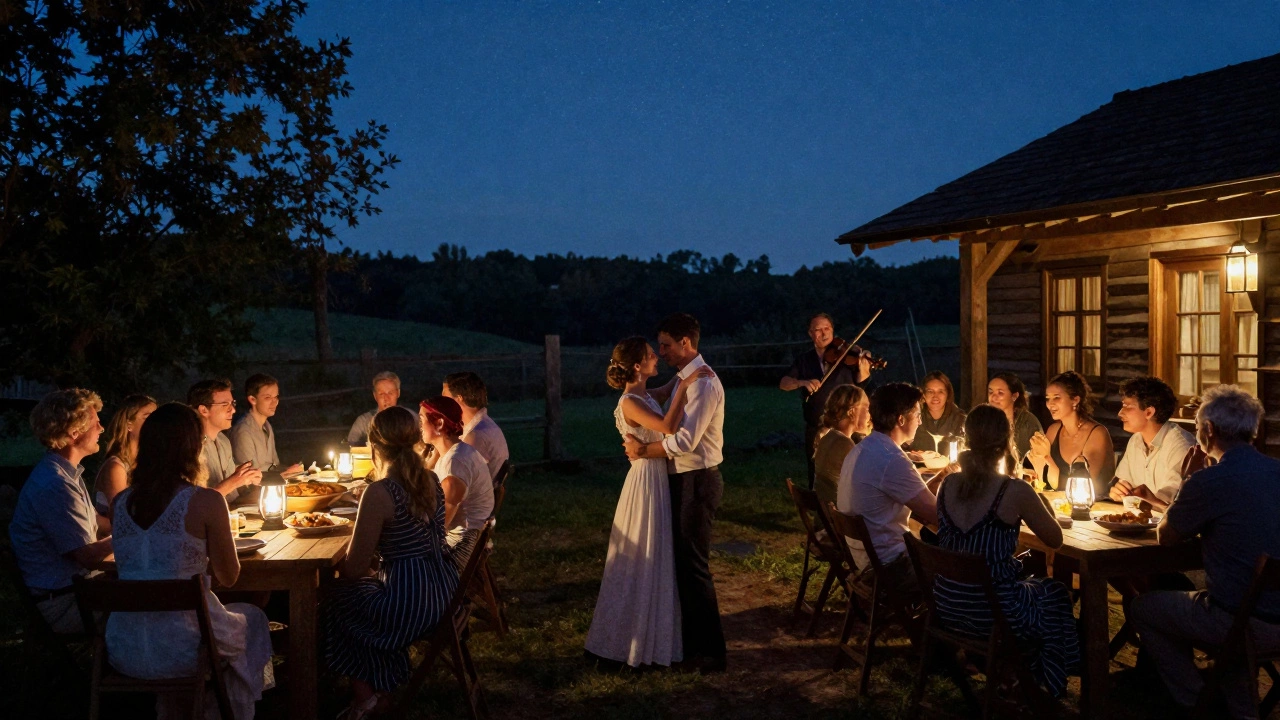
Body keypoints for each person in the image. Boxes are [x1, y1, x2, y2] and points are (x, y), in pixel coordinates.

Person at [105, 403, 273, 719]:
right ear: (193, 447)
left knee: (221, 620)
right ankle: (228, 711)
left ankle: (181, 709)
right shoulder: (205, 500)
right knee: (252, 617)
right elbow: (229, 576)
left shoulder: (120, 503)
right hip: (184, 651)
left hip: (123, 648)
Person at [1130, 384, 1280, 718]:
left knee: (1144, 607)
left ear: (1208, 430)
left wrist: (1187, 480)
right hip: (1271, 614)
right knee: (1236, 603)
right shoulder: (1276, 471)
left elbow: (1165, 537)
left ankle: (1197, 699)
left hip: (1241, 622)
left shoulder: (1209, 481)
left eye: (1197, 427)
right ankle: (1237, 705)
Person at [933, 405, 1079, 697]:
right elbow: (1055, 539)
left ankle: (1014, 675)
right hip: (994, 612)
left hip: (947, 605)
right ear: (1005, 442)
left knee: (1035, 586)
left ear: (968, 440)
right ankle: (1045, 684)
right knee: (1054, 594)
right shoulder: (1013, 490)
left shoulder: (948, 484)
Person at [323, 407, 458, 720]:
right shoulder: (431, 479)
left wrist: (371, 567)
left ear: (373, 447)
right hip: (442, 593)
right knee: (364, 596)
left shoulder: (381, 492)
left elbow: (353, 569)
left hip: (409, 604)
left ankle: (365, 697)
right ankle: (382, 688)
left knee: (336, 598)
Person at [585, 336, 712, 668]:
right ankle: (625, 641)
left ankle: (654, 635)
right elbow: (669, 426)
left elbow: (663, 393)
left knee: (656, 555)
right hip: (644, 482)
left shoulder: (643, 394)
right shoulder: (629, 402)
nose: (657, 356)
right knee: (643, 556)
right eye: (651, 355)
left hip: (655, 478)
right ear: (638, 366)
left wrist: (685, 373)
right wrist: (685, 387)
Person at [623, 312, 727, 672]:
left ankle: (711, 653)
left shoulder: (703, 384)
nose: (662, 351)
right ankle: (688, 643)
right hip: (680, 479)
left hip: (697, 480)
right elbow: (644, 398)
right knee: (682, 565)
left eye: (666, 345)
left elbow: (683, 440)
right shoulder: (685, 379)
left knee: (694, 566)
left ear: (686, 343)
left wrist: (642, 451)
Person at [9, 389, 114, 634]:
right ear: (74, 432)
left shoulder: (65, 474)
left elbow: (97, 524)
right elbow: (87, 557)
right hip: (64, 604)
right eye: (96, 423)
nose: (102, 428)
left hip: (76, 592)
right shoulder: (55, 485)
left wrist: (141, 518)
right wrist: (128, 535)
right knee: (152, 599)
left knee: (150, 585)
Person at [837, 382, 937, 596]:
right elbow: (937, 515)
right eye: (918, 415)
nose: (920, 421)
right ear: (901, 419)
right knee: (961, 568)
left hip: (862, 560)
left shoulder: (862, 449)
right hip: (891, 568)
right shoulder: (892, 459)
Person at [779, 313, 871, 487]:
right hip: (816, 426)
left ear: (833, 330)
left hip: (847, 428)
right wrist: (802, 382)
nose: (823, 333)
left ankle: (848, 509)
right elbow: (784, 383)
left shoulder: (848, 355)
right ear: (810, 334)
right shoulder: (804, 360)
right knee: (816, 472)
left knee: (851, 471)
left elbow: (861, 387)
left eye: (827, 328)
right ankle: (821, 510)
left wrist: (864, 370)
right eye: (817, 329)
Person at [420, 395, 493, 571]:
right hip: (465, 540)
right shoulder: (454, 452)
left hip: (459, 549)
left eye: (422, 420)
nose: (419, 426)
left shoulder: (456, 464)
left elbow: (438, 527)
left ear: (439, 424)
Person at [1109, 376, 1195, 511]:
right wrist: (1120, 491)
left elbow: (1176, 503)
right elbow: (1125, 482)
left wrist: (1149, 500)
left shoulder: (1181, 446)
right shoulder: (1136, 440)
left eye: (1127, 406)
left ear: (1149, 412)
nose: (1120, 413)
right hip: (1140, 522)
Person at [1027, 370, 1115, 498]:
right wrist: (1037, 460)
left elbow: (1084, 487)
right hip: (1058, 503)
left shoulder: (1097, 434)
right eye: (1047, 398)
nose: (1050, 404)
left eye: (1056, 397)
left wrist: (1047, 458)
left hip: (1095, 507)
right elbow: (1043, 481)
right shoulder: (1053, 430)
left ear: (1075, 400)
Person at [188, 379, 262, 503]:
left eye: (232, 403)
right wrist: (234, 481)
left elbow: (231, 494)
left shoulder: (223, 441)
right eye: (225, 405)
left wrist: (244, 477)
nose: (232, 410)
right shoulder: (191, 447)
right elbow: (196, 503)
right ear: (204, 410)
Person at [93, 393, 157, 522]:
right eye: (148, 417)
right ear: (129, 424)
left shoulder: (149, 463)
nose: (156, 423)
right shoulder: (116, 467)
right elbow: (121, 517)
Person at [228, 373, 302, 475]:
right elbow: (248, 478)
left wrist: (289, 470)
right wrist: (285, 473)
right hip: (253, 490)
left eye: (276, 397)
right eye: (268, 398)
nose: (274, 402)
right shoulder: (243, 431)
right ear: (252, 399)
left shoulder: (267, 427)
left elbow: (274, 465)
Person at [813, 384, 870, 508]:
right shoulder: (844, 444)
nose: (869, 415)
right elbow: (866, 483)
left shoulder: (829, 437)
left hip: (826, 516)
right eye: (867, 409)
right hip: (841, 520)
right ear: (852, 411)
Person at [442, 371, 510, 475]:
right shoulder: (483, 425)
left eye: (444, 397)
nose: (442, 402)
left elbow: (458, 476)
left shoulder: (476, 435)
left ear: (459, 398)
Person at [909, 371, 966, 453]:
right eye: (930, 391)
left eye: (941, 391)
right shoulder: (913, 417)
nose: (935, 396)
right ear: (923, 395)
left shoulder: (959, 419)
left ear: (948, 394)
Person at [347, 371, 402, 446]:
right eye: (381, 394)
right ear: (375, 396)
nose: (386, 398)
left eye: (390, 393)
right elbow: (351, 446)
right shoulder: (364, 422)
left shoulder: (411, 420)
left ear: (398, 393)